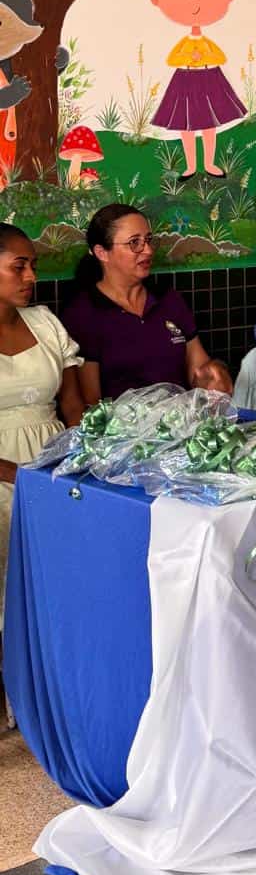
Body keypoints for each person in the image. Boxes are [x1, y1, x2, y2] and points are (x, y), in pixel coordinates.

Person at [62, 204, 232, 405]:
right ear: (102, 252)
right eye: (134, 243)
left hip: (180, 418)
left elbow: (199, 370)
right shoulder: (84, 314)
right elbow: (91, 403)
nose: (148, 250)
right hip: (122, 424)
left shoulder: (169, 300)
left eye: (148, 240)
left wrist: (214, 377)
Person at [0, 224, 84, 626]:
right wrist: (19, 476)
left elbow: (72, 404)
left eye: (33, 265)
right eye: (19, 267)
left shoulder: (45, 323)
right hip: (6, 473)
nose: (31, 277)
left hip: (54, 464)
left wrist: (84, 460)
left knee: (62, 586)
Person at [149, 0, 246, 179]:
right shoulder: (183, 44)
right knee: (187, 126)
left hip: (208, 77)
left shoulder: (208, 43)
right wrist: (189, 57)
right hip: (186, 80)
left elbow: (219, 56)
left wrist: (202, 56)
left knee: (210, 124)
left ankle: (210, 163)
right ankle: (191, 165)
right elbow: (173, 58)